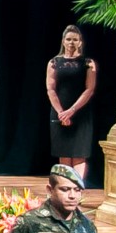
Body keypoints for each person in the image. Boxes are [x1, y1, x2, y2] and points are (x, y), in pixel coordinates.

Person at [48, 25, 98, 186]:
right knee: (64, 154)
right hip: (59, 113)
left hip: (81, 114)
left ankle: (76, 191)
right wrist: (61, 112)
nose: (71, 42)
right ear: (63, 41)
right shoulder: (54, 62)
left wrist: (72, 111)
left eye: (75, 39)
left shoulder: (88, 63)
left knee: (79, 154)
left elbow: (89, 89)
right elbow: (51, 89)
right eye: (68, 39)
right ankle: (65, 189)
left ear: (80, 42)